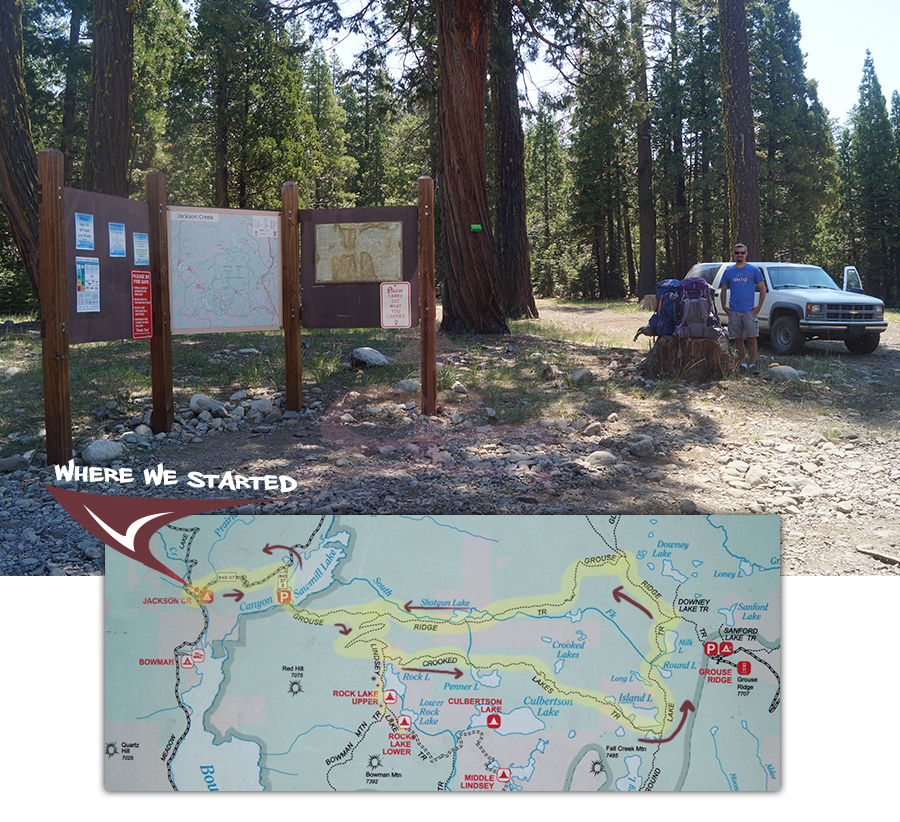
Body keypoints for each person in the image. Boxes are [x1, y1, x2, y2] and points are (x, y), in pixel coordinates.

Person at [719, 244, 766, 374]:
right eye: (737, 253)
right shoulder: (729, 271)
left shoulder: (754, 270)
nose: (740, 255)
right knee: (738, 339)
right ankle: (742, 364)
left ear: (746, 254)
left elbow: (763, 289)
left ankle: (752, 365)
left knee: (752, 338)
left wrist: (759, 307)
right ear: (733, 254)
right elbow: (723, 290)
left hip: (749, 311)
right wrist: (724, 306)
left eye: (742, 253)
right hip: (734, 311)